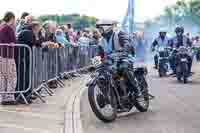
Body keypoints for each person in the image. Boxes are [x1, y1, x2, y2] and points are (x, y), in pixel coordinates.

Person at [96, 19, 141, 98]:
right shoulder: (101, 41)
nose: (99, 31)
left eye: (100, 28)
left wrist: (125, 48)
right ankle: (107, 95)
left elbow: (127, 43)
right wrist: (96, 59)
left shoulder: (119, 34)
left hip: (125, 57)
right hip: (111, 61)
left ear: (107, 27)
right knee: (99, 73)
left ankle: (137, 90)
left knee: (124, 68)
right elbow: (99, 54)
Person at [16, 22, 41, 103]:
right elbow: (34, 43)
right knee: (23, 77)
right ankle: (21, 96)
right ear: (35, 28)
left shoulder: (27, 32)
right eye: (38, 29)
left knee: (26, 77)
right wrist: (37, 37)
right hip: (22, 57)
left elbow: (36, 43)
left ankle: (26, 95)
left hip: (24, 57)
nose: (39, 31)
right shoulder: (27, 32)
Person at [0, 11, 17, 105]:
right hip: (7, 56)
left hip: (4, 55)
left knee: (3, 77)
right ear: (12, 18)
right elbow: (13, 40)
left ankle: (4, 97)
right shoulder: (7, 28)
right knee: (11, 76)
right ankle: (9, 97)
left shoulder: (2, 27)